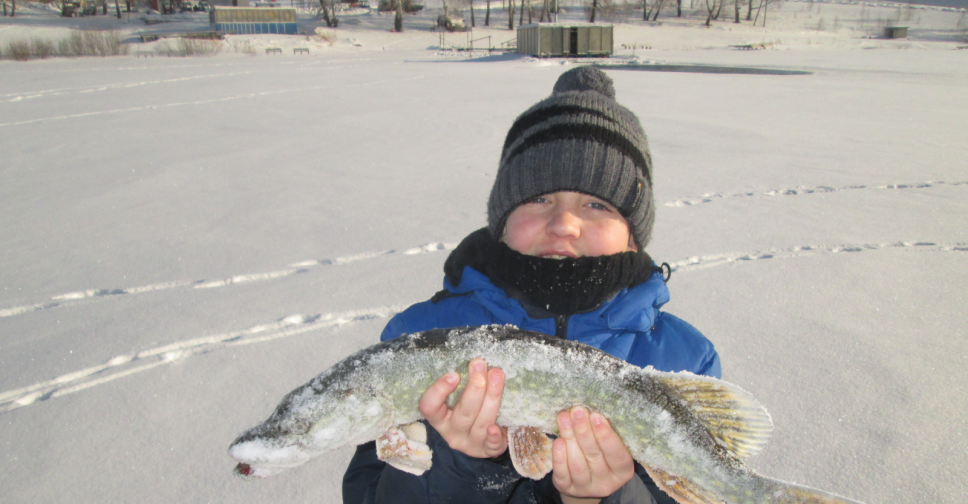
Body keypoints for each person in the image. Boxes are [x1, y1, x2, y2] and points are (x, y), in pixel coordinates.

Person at [342, 66, 721, 504]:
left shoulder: (684, 362)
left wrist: (603, 499)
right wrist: (462, 464)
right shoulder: (417, 341)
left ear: (633, 236)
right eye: (538, 198)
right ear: (501, 223)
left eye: (596, 204)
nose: (564, 224)